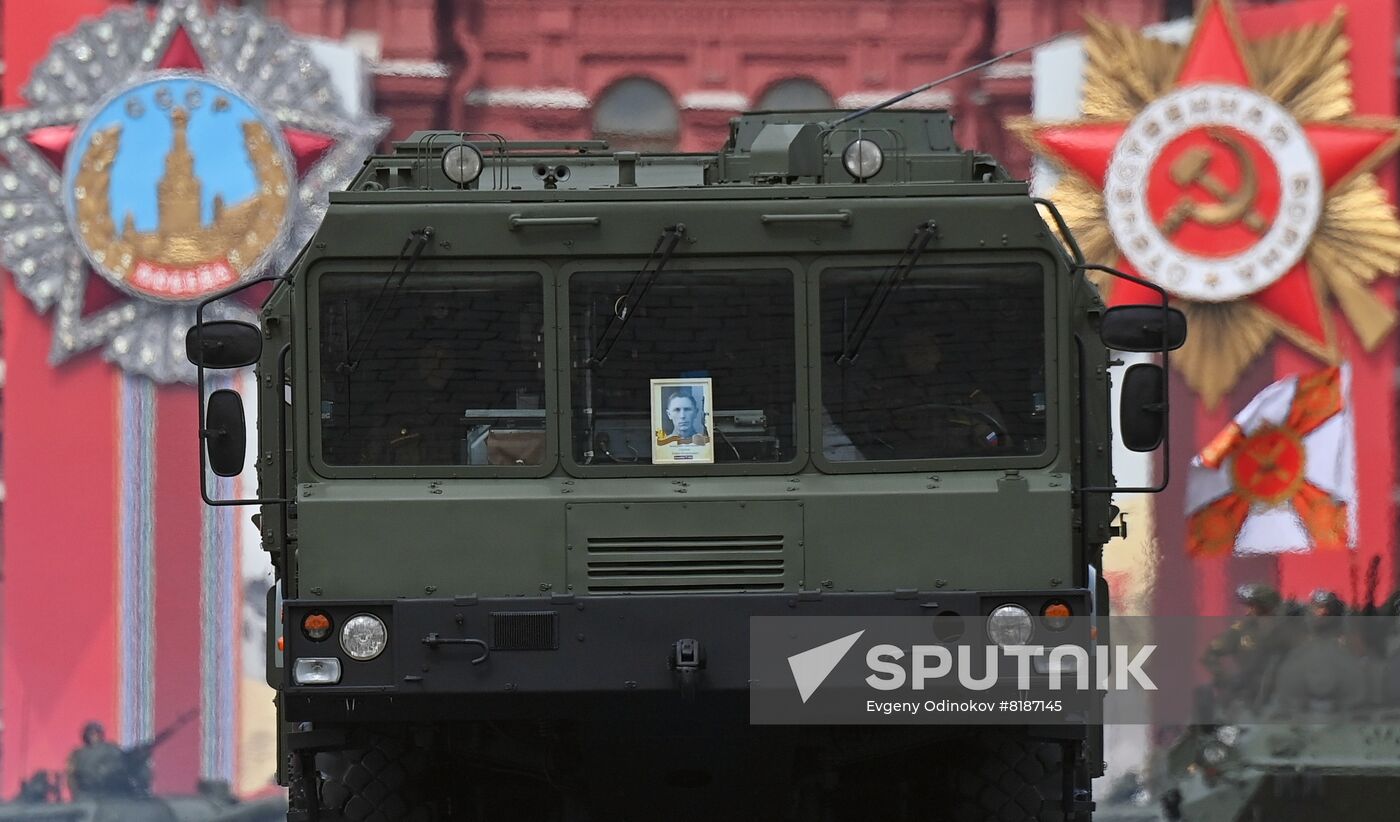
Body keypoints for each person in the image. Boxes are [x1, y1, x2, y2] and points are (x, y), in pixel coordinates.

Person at [1202, 583, 1290, 709]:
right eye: (1247, 606)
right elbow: (1210, 654)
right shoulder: (1240, 630)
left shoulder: (1289, 629)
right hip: (1247, 694)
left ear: (1266, 606)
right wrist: (1225, 677)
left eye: (1252, 606)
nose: (1248, 612)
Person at [66, 721, 129, 798]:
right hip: (86, 793)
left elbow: (123, 764)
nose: (93, 736)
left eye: (96, 733)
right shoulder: (77, 754)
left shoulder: (111, 749)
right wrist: (76, 794)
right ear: (86, 735)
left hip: (110, 793)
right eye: (90, 733)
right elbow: (71, 775)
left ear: (100, 734)